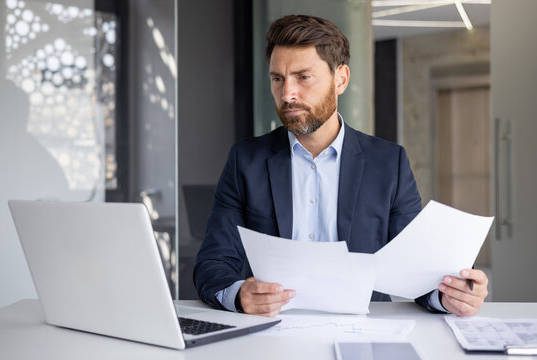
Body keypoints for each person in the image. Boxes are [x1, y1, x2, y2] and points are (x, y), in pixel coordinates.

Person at [194, 14, 488, 318]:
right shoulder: (247, 160)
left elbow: (417, 270)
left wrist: (452, 295)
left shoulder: (388, 163)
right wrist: (239, 296)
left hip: (364, 331)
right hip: (270, 333)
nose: (287, 94)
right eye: (277, 79)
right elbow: (212, 265)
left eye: (303, 77)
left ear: (341, 79)